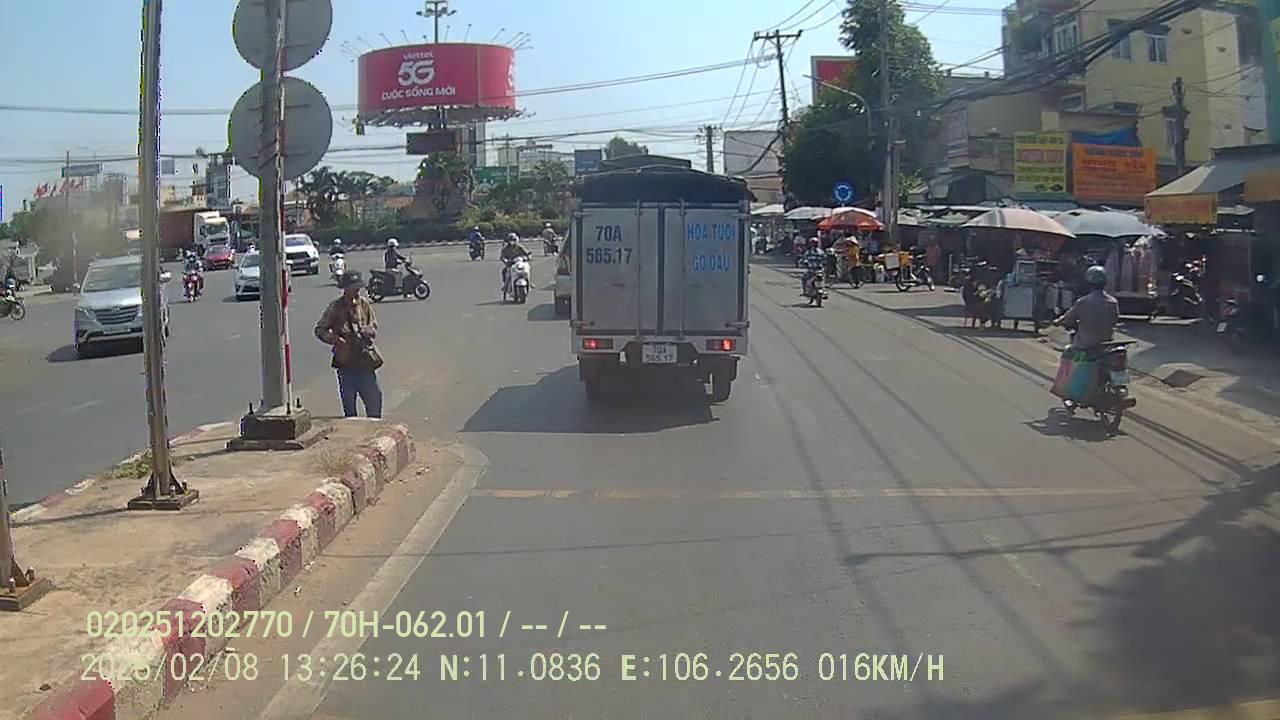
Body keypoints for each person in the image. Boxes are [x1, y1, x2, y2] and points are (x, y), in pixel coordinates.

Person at [315, 271, 383, 418]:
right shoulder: (335, 307)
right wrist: (336, 340)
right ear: (345, 289)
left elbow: (374, 325)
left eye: (357, 288)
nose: (356, 291)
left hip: (364, 360)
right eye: (353, 288)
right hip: (345, 362)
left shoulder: (364, 304)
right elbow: (320, 330)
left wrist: (367, 331)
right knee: (349, 407)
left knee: (374, 400)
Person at [1054, 265, 1119, 352]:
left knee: (1067, 353)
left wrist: (1058, 321)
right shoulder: (1113, 302)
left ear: (1088, 283)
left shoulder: (1083, 302)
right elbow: (1114, 321)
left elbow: (1068, 319)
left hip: (1085, 345)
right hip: (1107, 344)